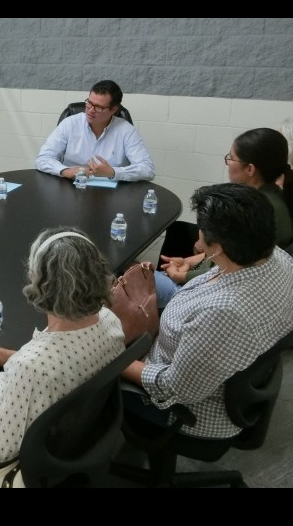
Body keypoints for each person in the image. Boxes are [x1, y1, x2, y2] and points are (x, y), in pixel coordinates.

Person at [122, 183, 293, 439]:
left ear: (219, 247)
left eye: (201, 232)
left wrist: (116, 363)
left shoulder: (222, 313)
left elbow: (173, 387)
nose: (197, 239)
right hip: (215, 367)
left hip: (188, 411)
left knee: (90, 371)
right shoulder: (278, 257)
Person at [0, 227, 125, 465]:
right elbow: (65, 363)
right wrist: (10, 356)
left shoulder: (32, 367)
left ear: (40, 283)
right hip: (78, 443)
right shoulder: (110, 322)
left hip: (26, 467)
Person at [155, 128, 293, 307]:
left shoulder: (254, 211)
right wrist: (191, 261)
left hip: (217, 290)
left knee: (140, 278)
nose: (228, 163)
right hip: (219, 273)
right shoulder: (267, 198)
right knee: (178, 230)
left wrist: (183, 276)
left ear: (250, 169)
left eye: (231, 158)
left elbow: (233, 269)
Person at [35, 79, 155, 182]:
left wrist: (113, 172)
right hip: (71, 188)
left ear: (113, 110)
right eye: (89, 103)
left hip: (111, 194)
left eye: (98, 107)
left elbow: (147, 169)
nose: (91, 110)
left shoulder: (126, 131)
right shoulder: (70, 123)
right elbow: (43, 159)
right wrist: (66, 171)